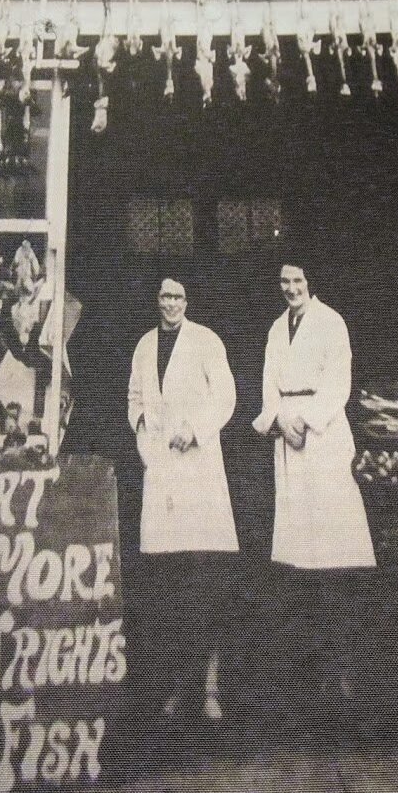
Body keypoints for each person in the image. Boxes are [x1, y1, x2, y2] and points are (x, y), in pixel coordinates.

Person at [252, 261, 376, 703]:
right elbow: (268, 385)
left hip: (321, 438)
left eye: (298, 281)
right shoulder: (275, 329)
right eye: (284, 281)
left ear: (311, 283)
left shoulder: (331, 323)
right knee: (297, 557)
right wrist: (279, 422)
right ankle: (303, 675)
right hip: (288, 435)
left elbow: (338, 383)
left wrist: (306, 421)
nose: (291, 289)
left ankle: (341, 671)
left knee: (333, 554)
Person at [127, 277, 240, 720]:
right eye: (164, 296)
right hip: (161, 472)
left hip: (199, 473)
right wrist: (140, 428)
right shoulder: (143, 345)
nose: (171, 303)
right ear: (156, 301)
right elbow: (135, 395)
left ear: (187, 301)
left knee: (205, 586)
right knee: (166, 587)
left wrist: (194, 430)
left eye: (177, 297)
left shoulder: (206, 341)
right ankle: (175, 688)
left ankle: (209, 687)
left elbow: (226, 397)